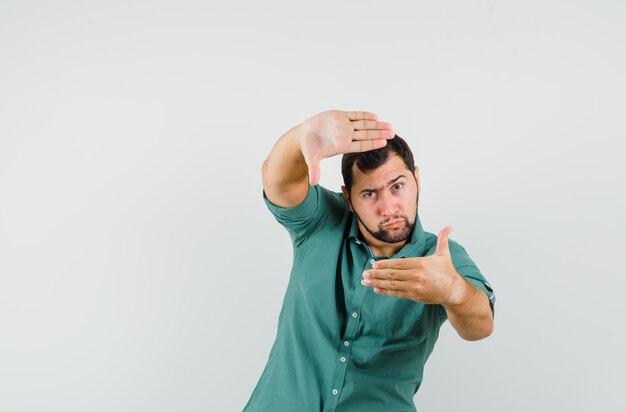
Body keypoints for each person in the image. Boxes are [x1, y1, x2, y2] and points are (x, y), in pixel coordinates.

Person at [243, 110, 496, 411]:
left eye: (397, 186)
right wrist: (298, 138)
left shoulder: (440, 256)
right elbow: (279, 182)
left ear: (417, 179)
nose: (388, 208)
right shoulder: (322, 221)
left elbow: (480, 326)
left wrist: (454, 292)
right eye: (369, 194)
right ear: (349, 198)